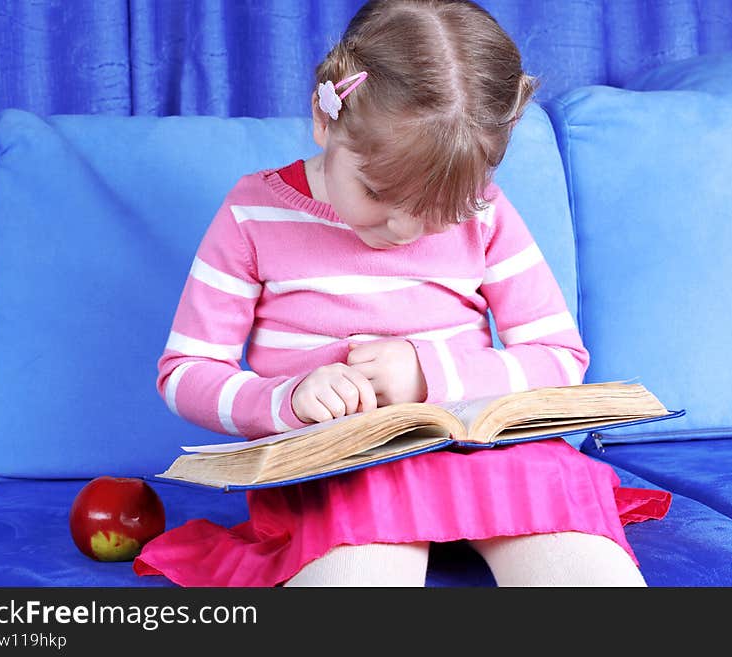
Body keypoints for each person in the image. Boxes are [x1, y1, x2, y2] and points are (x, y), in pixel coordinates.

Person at [133, 0, 670, 587]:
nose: (404, 231)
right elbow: (184, 371)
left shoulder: (486, 214)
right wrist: (284, 400)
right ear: (324, 117)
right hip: (345, 471)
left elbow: (561, 360)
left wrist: (428, 376)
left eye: (440, 212)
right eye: (377, 194)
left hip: (494, 462)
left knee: (589, 574)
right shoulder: (252, 214)